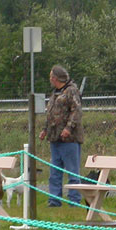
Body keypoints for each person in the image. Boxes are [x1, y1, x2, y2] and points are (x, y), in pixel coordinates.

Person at [39, 65, 84, 207]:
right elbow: (50, 114)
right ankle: (54, 200)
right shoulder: (55, 93)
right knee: (55, 173)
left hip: (69, 139)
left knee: (72, 172)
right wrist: (45, 130)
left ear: (56, 78)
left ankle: (74, 201)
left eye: (51, 76)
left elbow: (76, 111)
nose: (50, 79)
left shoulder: (71, 91)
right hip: (55, 138)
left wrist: (68, 128)